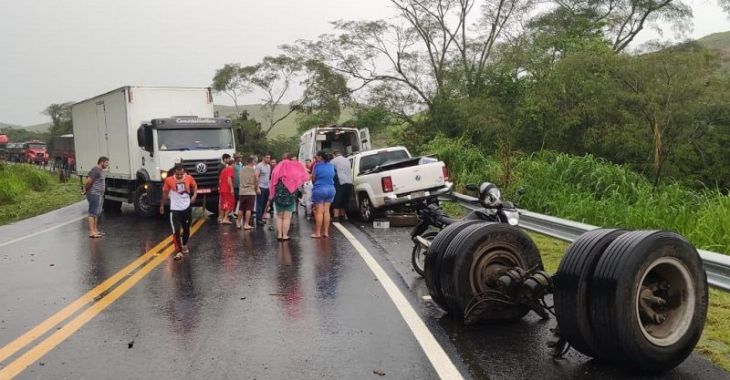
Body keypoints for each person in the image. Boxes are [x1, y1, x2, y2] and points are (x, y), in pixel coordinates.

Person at [160, 164, 197, 260]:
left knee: (186, 229)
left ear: (184, 172)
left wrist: (194, 195)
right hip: (175, 209)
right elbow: (165, 193)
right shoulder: (169, 180)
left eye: (181, 174)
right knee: (176, 230)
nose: (180, 176)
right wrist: (162, 205)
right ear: (174, 173)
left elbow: (195, 185)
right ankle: (178, 251)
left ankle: (184, 244)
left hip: (186, 208)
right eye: (177, 174)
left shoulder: (188, 178)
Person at [269, 157, 309, 240]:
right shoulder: (292, 173)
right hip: (290, 196)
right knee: (287, 217)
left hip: (278, 196)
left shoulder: (276, 172)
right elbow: (303, 175)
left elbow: (272, 183)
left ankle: (279, 235)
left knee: (279, 217)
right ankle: (285, 235)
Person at [311, 151, 336, 238]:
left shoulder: (317, 166)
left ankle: (317, 233)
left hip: (319, 189)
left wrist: (315, 183)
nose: (315, 158)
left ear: (320, 157)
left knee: (319, 212)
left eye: (316, 157)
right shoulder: (331, 165)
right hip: (331, 189)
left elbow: (313, 178)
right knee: (326, 211)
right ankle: (325, 232)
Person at [82, 156, 109, 238]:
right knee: (92, 213)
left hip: (99, 194)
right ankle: (91, 232)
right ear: (102, 162)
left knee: (96, 213)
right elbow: (88, 182)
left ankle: (95, 230)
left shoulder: (100, 170)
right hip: (94, 194)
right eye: (107, 162)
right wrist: (85, 190)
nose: (108, 164)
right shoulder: (96, 170)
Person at [236, 156, 259, 230]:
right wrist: (257, 189)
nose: (255, 163)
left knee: (241, 208)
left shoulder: (242, 169)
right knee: (249, 208)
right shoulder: (254, 170)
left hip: (242, 191)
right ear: (252, 162)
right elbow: (256, 180)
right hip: (250, 191)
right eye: (255, 161)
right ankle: (246, 224)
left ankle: (238, 223)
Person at [331, 150, 354, 222]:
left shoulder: (333, 161)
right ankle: (343, 215)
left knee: (337, 198)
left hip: (340, 181)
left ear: (334, 155)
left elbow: (331, 172)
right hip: (349, 181)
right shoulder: (347, 160)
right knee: (345, 199)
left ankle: (336, 216)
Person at [254, 154, 272, 226]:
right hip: (261, 187)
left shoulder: (268, 166)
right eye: (267, 157)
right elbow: (256, 176)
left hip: (267, 187)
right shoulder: (259, 166)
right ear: (263, 158)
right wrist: (257, 188)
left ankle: (261, 217)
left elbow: (268, 177)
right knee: (260, 204)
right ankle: (258, 219)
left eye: (269, 158)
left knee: (265, 203)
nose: (268, 159)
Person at [218, 158, 235, 224]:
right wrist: (231, 189)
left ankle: (222, 218)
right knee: (230, 203)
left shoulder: (224, 169)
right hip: (227, 190)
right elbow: (229, 179)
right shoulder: (230, 169)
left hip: (222, 189)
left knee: (223, 204)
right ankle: (225, 218)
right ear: (233, 164)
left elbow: (220, 180)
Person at [232, 153, 243, 217]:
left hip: (240, 184)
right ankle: (233, 212)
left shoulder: (241, 164)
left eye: (240, 157)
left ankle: (237, 211)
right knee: (235, 199)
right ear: (236, 158)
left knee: (240, 198)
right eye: (239, 157)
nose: (240, 158)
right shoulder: (233, 165)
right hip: (234, 184)